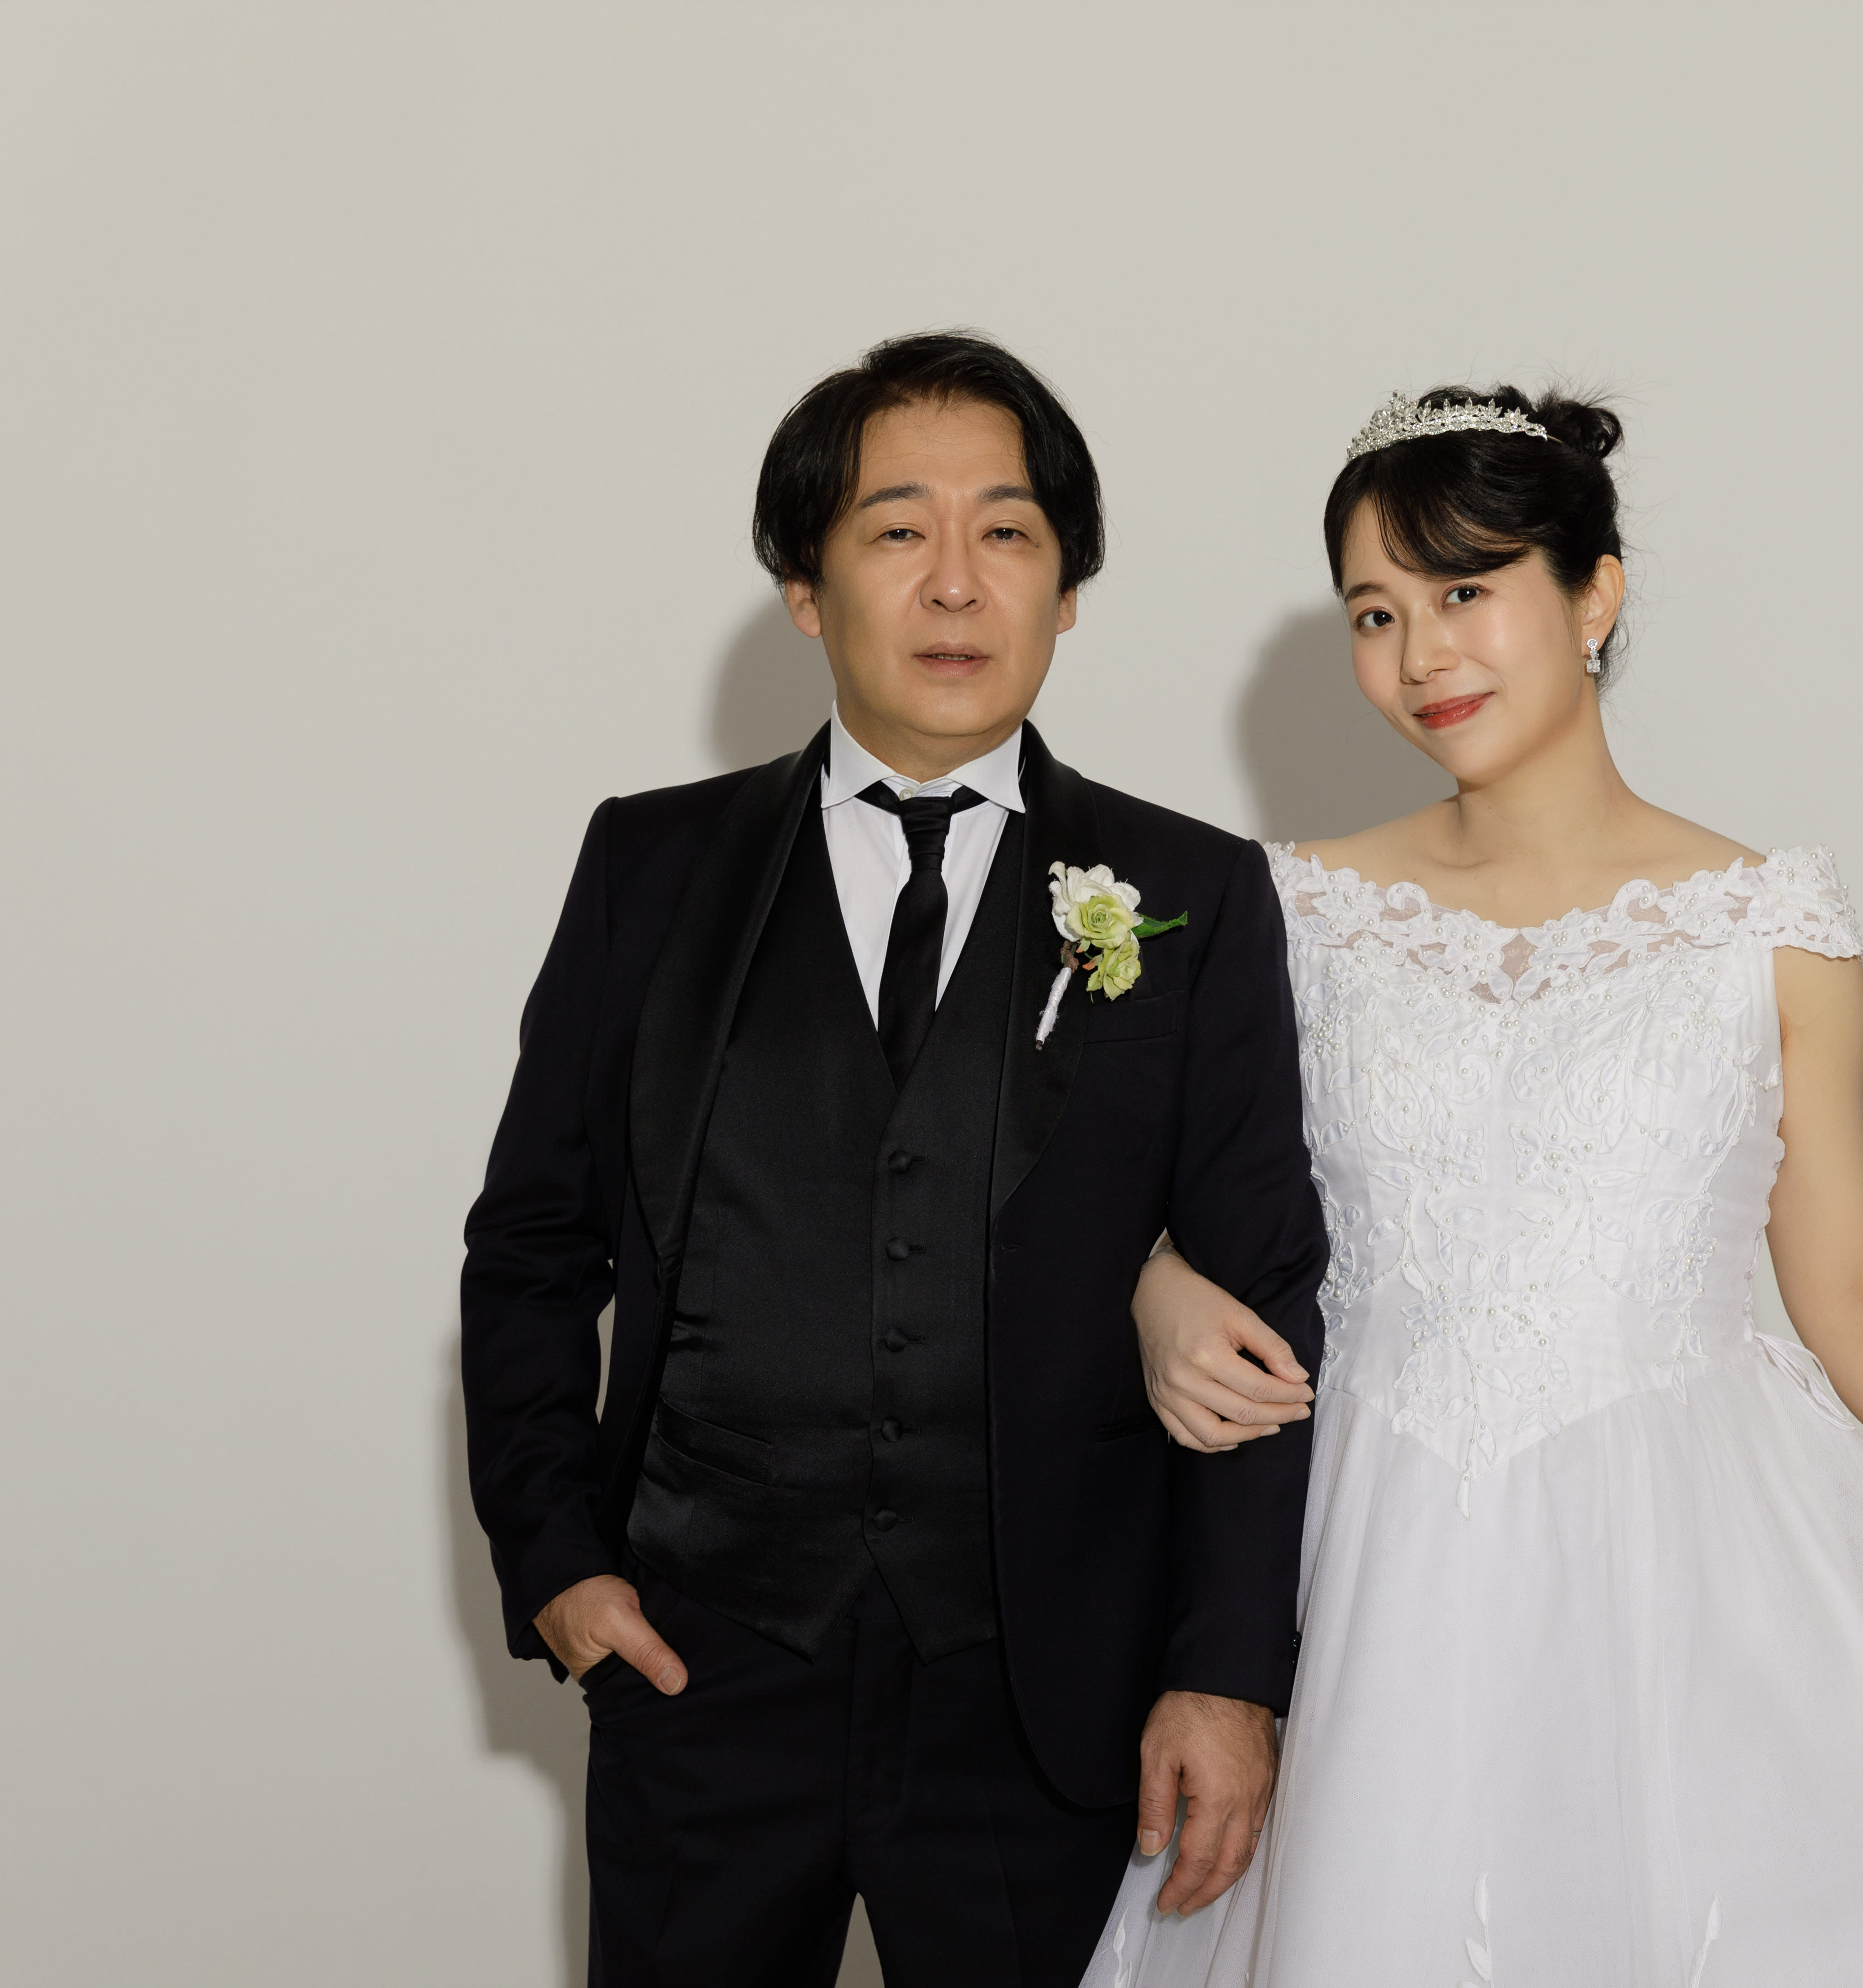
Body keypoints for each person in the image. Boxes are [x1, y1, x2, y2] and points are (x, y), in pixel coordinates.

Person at [1080, 387, 1863, 1985]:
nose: (1421, 654)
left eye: (1465, 589)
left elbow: (1850, 1293)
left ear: (1597, 594)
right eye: (1375, 612)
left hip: (1686, 1564)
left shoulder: (1772, 924)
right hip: (1371, 1554)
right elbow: (1149, 1201)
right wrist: (1153, 1283)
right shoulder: (1285, 914)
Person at [460, 332, 1325, 1988]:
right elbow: (533, 1247)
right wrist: (556, 1557)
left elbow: (1265, 1297)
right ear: (806, 586)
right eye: (897, 529)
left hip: (1049, 1702)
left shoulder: (1193, 895)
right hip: (702, 1670)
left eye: (1008, 532)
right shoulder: (649, 863)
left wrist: (1228, 1671)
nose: (956, 583)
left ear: (1067, 589)